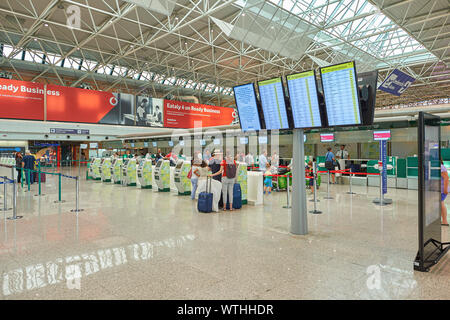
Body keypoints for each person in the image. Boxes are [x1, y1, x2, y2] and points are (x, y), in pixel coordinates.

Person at [441, 161, 449, 226]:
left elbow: (446, 178)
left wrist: (445, 189)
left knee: (441, 203)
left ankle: (444, 221)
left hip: (442, 190)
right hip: (439, 189)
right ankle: (444, 220)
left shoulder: (441, 167)